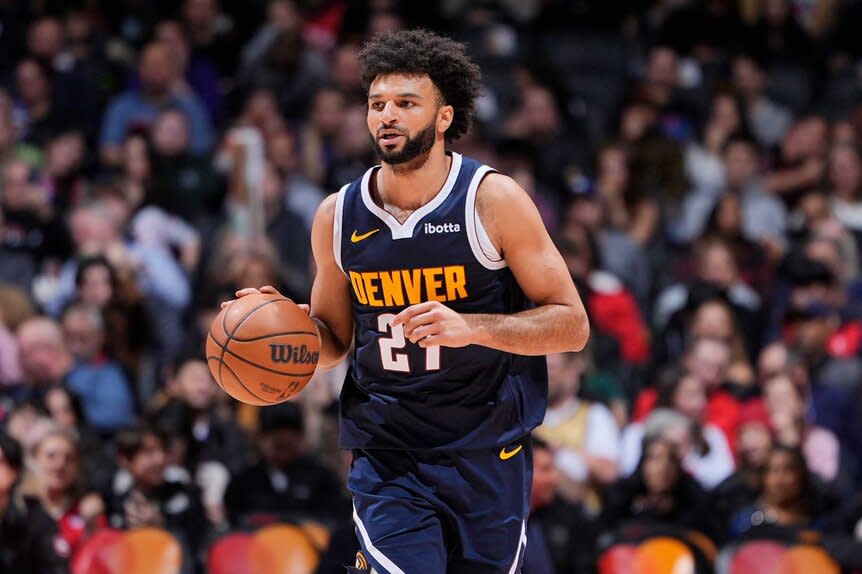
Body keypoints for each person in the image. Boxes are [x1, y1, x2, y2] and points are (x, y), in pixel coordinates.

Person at [226, 29, 589, 574]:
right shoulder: (337, 216)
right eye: (377, 104)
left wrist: (473, 328)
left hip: (487, 452)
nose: (387, 116)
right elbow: (334, 341)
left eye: (405, 103)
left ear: (444, 117)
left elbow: (572, 325)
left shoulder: (491, 200)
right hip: (389, 455)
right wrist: (290, 328)